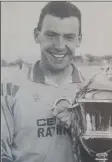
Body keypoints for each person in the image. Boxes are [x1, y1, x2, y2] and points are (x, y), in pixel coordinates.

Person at [1, 2, 84, 162]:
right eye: (51, 35)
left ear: (79, 40)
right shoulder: (9, 89)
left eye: (69, 37)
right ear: (36, 35)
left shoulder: (90, 91)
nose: (60, 46)